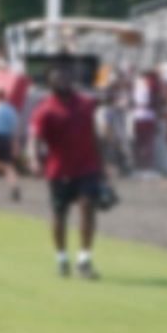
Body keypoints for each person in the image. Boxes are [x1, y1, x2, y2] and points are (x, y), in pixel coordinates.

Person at [27, 63, 107, 279]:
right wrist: (34, 158)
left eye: (65, 78)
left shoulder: (85, 104)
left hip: (87, 167)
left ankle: (84, 259)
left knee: (88, 208)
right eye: (57, 79)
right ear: (50, 83)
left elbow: (94, 132)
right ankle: (62, 257)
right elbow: (34, 137)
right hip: (59, 170)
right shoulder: (45, 110)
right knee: (59, 215)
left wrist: (102, 165)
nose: (62, 82)